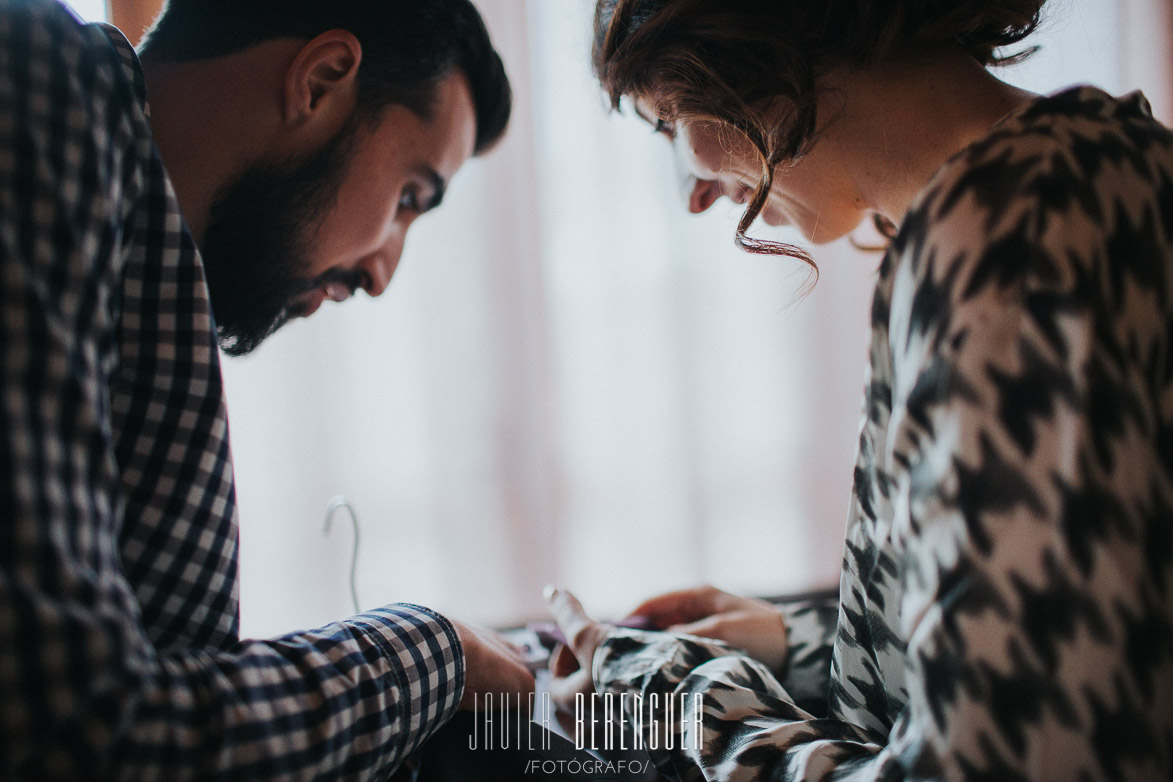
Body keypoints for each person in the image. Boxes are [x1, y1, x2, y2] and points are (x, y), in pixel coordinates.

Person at [545, 0, 1173, 779]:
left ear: (753, 45)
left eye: (668, 116)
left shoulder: (1008, 233)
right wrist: (795, 643)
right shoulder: (1117, 166)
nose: (695, 191)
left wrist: (675, 699)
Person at [0, 1, 534, 779]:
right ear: (319, 82)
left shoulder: (131, 246)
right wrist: (433, 653)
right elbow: (85, 732)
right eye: (410, 197)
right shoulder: (39, 87)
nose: (382, 273)